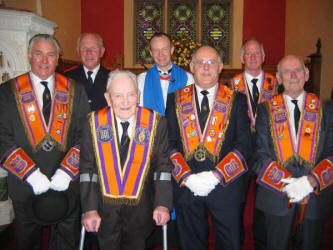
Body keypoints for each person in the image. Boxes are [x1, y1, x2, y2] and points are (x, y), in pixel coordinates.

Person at [0, 34, 90, 250]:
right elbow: (2, 138)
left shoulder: (74, 89)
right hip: (25, 185)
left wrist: (65, 172)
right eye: (39, 53)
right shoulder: (6, 91)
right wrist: (31, 174)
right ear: (29, 55)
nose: (44, 60)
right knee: (28, 242)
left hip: (66, 183)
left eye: (51, 55)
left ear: (57, 59)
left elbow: (85, 134)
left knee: (66, 241)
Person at [165, 45, 252, 250]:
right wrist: (187, 178)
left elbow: (244, 145)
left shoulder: (236, 99)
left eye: (211, 62)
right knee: (191, 244)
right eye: (200, 62)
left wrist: (215, 176)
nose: (206, 67)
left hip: (225, 186)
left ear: (220, 66)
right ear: (191, 67)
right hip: (188, 187)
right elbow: (168, 144)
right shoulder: (175, 99)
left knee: (230, 243)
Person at [80, 70, 173, 250]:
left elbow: (163, 168)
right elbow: (87, 170)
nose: (125, 102)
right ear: (108, 98)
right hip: (103, 211)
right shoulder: (92, 123)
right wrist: (89, 208)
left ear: (138, 96)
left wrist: (162, 204)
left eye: (131, 94)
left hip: (141, 211)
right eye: (118, 96)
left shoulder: (156, 123)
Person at [253, 55, 333, 250]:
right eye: (287, 72)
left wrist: (309, 182)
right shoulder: (265, 110)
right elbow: (259, 154)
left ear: (306, 75)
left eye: (298, 70)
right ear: (279, 79)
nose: (293, 75)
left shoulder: (326, 109)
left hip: (314, 195)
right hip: (277, 195)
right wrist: (290, 186)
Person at [229, 38, 277, 249]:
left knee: (263, 202)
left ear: (264, 57)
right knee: (237, 202)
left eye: (257, 52)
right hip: (241, 150)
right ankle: (235, 240)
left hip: (267, 151)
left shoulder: (276, 83)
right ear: (241, 58)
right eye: (248, 53)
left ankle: (262, 242)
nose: (253, 57)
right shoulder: (231, 85)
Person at [138, 32, 194, 116]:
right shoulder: (141, 79)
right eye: (156, 50)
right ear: (151, 53)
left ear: (171, 50)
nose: (161, 54)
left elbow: (191, 110)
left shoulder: (188, 79)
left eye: (164, 49)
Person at [65, 33, 110, 111]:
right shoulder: (67, 78)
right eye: (84, 48)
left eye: (94, 48)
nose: (89, 52)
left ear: (102, 52)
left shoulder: (113, 78)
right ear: (78, 51)